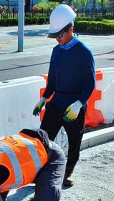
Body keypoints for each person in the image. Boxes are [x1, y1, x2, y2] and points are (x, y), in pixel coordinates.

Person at [32, 4, 96, 187]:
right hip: (57, 102)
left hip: (74, 107)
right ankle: (42, 172)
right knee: (43, 138)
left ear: (71, 29)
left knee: (74, 142)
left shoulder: (84, 53)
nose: (57, 39)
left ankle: (66, 174)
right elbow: (52, 79)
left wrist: (79, 103)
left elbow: (90, 83)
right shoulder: (57, 51)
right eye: (55, 36)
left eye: (60, 35)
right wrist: (44, 98)